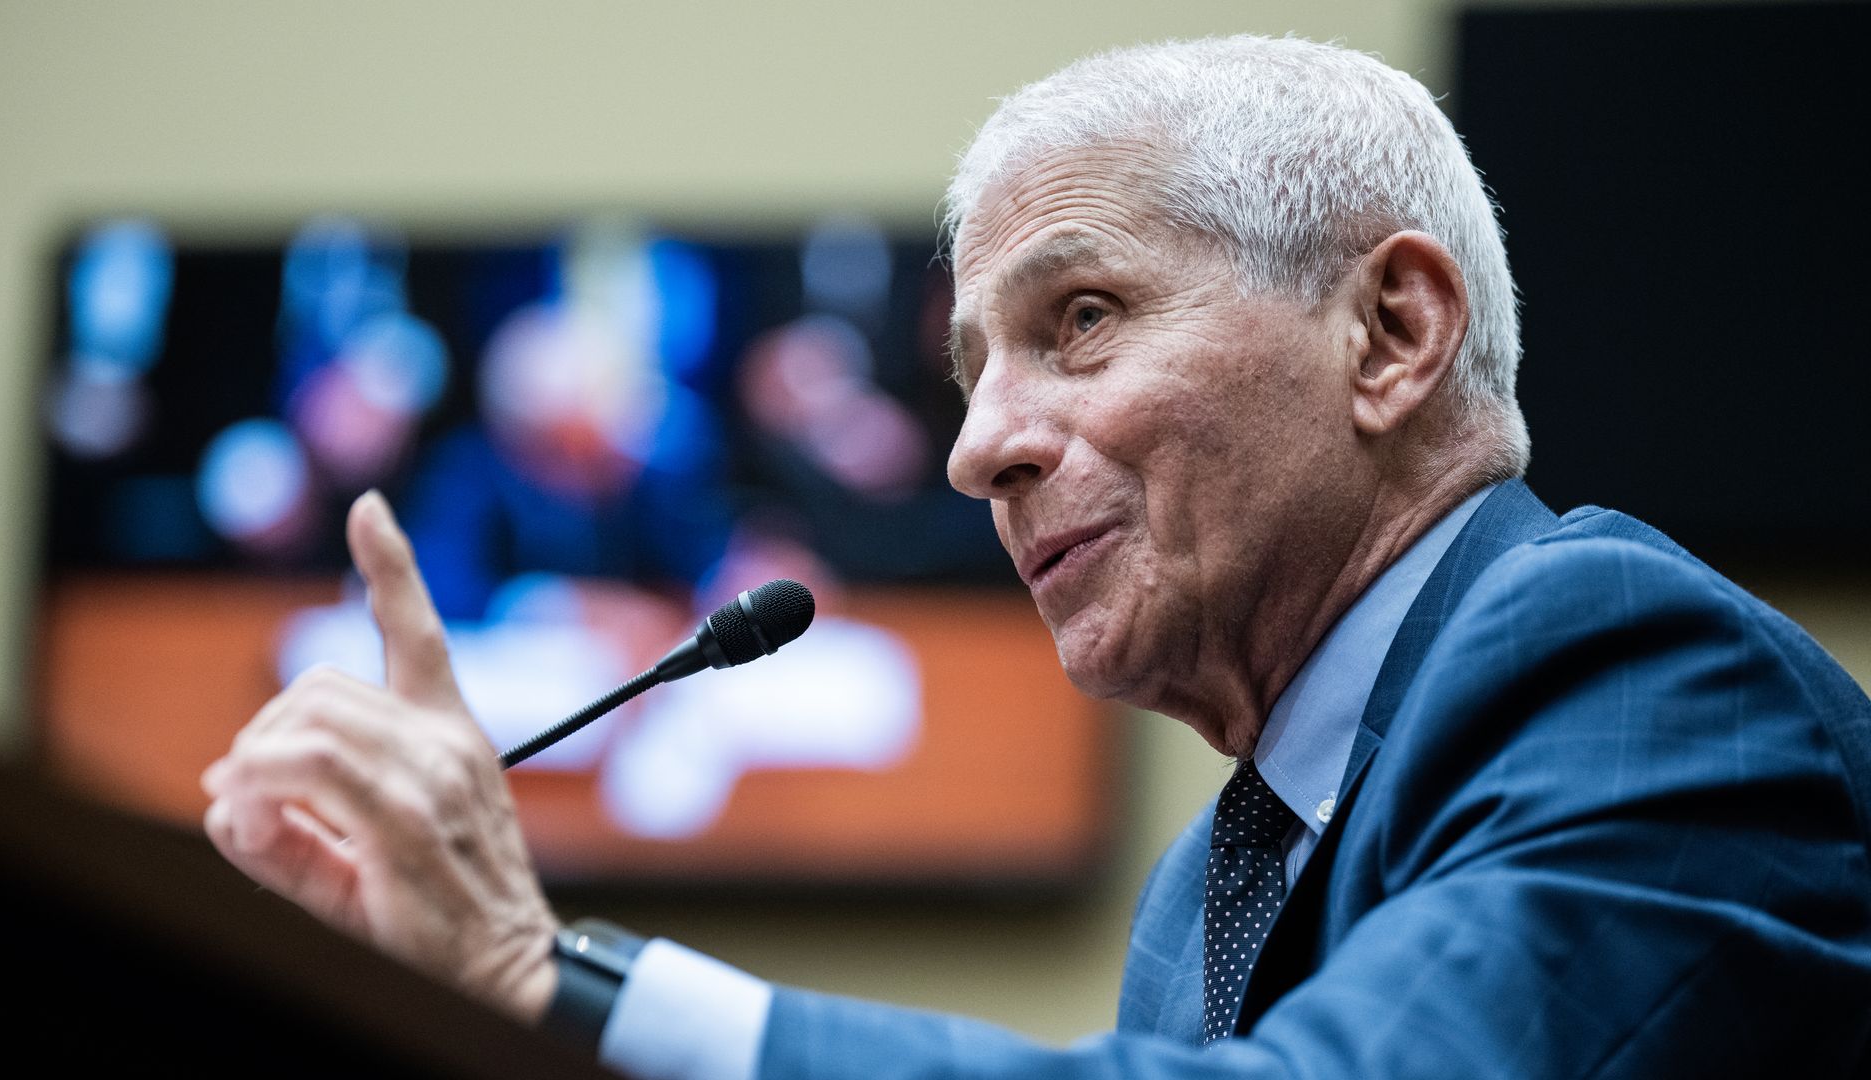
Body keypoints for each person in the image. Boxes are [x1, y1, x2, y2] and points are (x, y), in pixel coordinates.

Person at [200, 35, 1871, 1077]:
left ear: (1391, 333)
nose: (975, 447)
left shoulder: (1641, 673)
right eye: (970, 368)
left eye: (1080, 318)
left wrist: (538, 976)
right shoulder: (1202, 894)